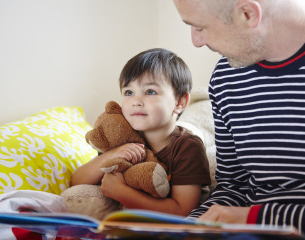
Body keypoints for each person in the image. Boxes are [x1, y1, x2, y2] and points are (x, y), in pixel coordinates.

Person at [173, 0, 305, 239]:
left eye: (200, 27)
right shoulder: (227, 78)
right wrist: (187, 228)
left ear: (248, 13)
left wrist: (255, 219)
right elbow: (233, 186)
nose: (196, 41)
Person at [71, 48, 211, 216]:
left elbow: (182, 210)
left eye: (150, 92)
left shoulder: (187, 146)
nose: (136, 101)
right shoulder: (124, 136)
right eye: (129, 92)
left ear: (180, 102)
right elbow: (77, 181)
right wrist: (111, 155)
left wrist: (121, 192)